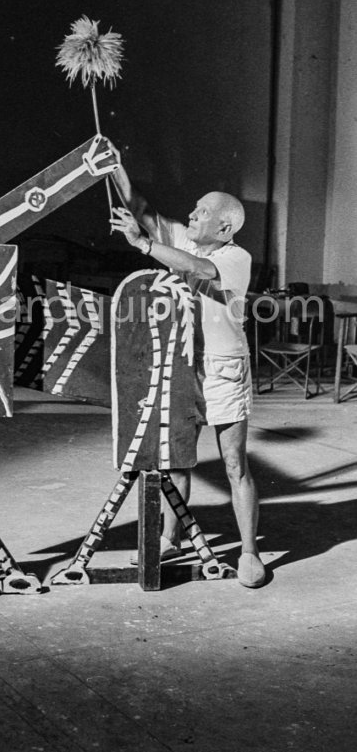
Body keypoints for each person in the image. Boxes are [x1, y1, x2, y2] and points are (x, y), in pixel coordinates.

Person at [109, 154, 266, 589]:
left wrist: (143, 245)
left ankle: (250, 553)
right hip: (184, 363)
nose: (191, 215)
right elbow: (142, 209)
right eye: (193, 210)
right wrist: (115, 166)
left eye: (201, 212)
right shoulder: (187, 240)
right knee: (176, 456)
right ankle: (171, 536)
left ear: (225, 227)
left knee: (235, 463)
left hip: (224, 368)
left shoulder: (237, 258)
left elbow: (198, 270)